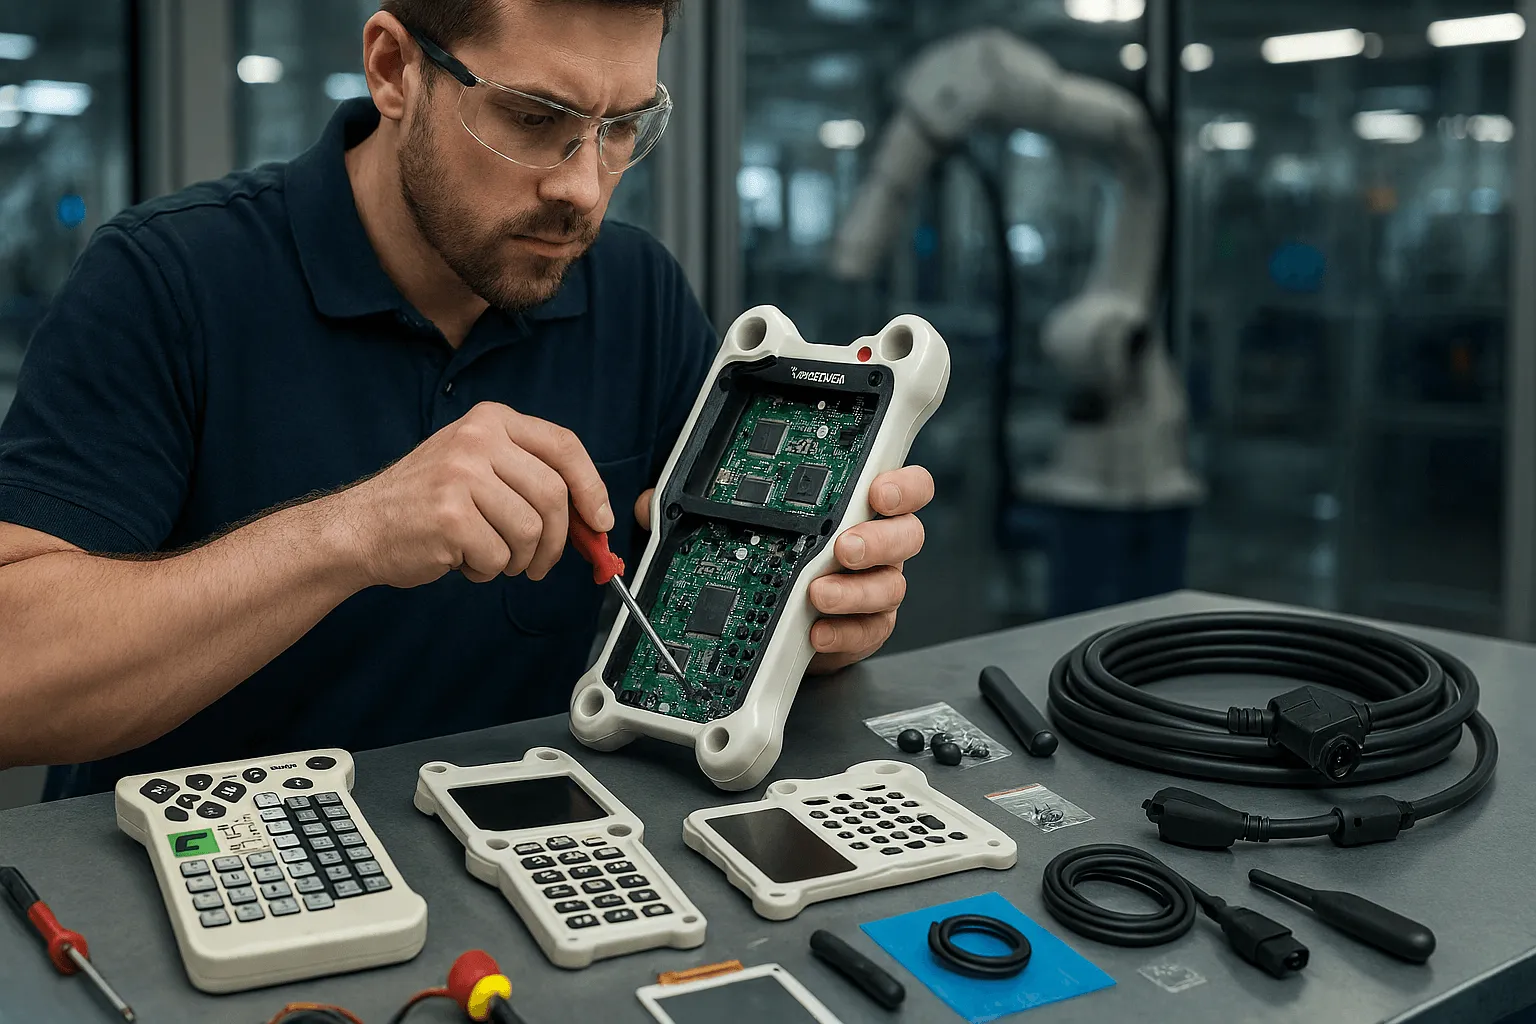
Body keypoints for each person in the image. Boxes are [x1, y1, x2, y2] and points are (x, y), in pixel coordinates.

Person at [0, 0, 932, 798]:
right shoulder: (167, 280)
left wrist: (810, 615)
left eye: (621, 130)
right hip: (204, 896)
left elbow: (691, 619)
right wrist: (352, 532)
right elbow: (14, 678)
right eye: (533, 118)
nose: (582, 187)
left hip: (540, 862)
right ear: (395, 68)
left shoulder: (635, 290)